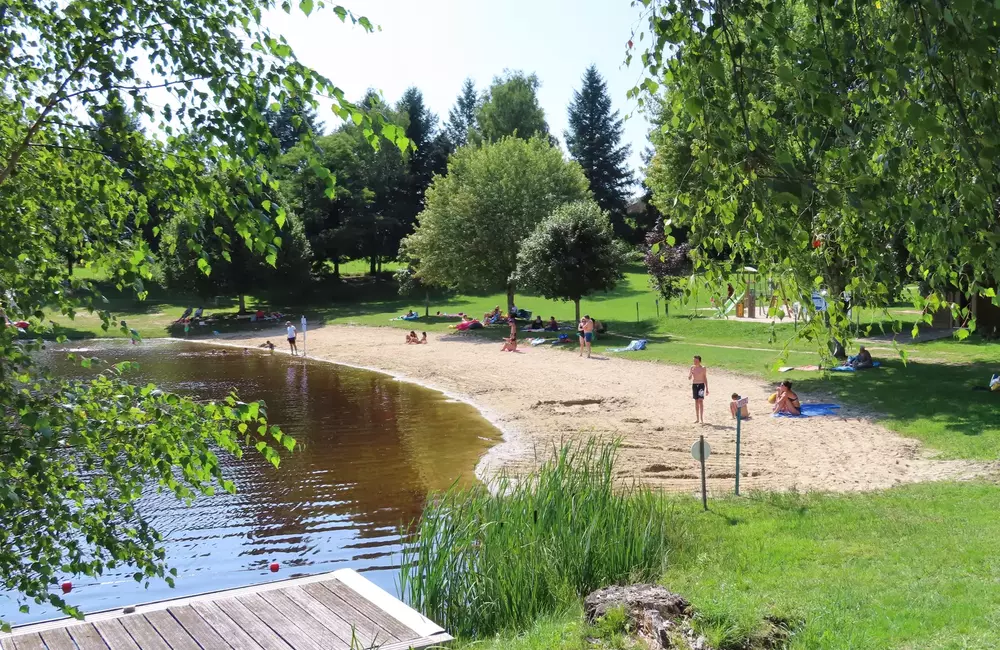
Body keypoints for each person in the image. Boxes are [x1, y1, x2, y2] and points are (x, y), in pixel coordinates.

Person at [688, 355, 708, 423]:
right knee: (696, 401)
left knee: (700, 401)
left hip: (701, 385)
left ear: (699, 361)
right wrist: (691, 374)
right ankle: (697, 418)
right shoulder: (692, 367)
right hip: (694, 385)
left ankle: (702, 419)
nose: (694, 362)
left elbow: (705, 377)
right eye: (694, 360)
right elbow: (689, 378)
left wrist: (707, 388)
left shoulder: (703, 368)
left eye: (696, 361)